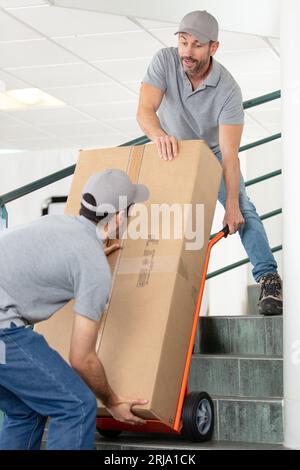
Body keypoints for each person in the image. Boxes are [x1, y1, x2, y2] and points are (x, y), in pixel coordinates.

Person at [137, 10, 282, 316]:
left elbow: (230, 157)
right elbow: (145, 111)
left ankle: (268, 278)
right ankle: (156, 287)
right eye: (183, 41)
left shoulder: (228, 90)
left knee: (243, 208)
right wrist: (160, 135)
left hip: (212, 153)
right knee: (158, 216)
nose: (187, 52)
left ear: (213, 48)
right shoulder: (164, 61)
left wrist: (230, 205)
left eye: (197, 45)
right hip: (171, 148)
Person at [0, 169, 150, 450]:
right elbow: (82, 359)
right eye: (130, 211)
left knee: (24, 409)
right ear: (118, 217)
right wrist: (113, 401)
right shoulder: (91, 265)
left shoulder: (58, 224)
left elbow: (52, 258)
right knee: (75, 406)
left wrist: (89, 258)